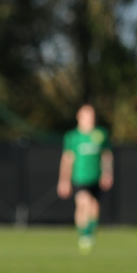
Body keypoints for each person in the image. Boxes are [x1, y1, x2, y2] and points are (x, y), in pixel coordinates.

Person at [57, 103, 114, 253]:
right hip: (79, 177)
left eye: (92, 116)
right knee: (84, 202)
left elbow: (106, 155)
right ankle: (84, 235)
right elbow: (67, 159)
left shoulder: (100, 134)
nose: (90, 119)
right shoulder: (73, 137)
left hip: (96, 177)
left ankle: (90, 233)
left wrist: (107, 173)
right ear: (79, 117)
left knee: (94, 206)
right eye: (86, 116)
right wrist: (64, 180)